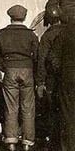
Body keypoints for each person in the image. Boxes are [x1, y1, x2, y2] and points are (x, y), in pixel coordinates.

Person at [0, 5, 38, 151]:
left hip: (10, 71)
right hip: (27, 70)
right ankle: (27, 143)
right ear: (24, 17)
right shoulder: (31, 35)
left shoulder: (1, 35)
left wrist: (4, 67)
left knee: (10, 107)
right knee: (28, 107)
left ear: (10, 17)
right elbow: (37, 55)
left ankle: (11, 142)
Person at [36, 5, 65, 148]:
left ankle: (53, 139)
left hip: (52, 79)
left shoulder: (47, 36)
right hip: (67, 77)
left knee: (52, 109)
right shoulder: (68, 32)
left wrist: (40, 81)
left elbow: (41, 59)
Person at [48, 19, 75, 150]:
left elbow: (53, 57)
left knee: (68, 115)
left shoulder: (65, 32)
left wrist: (61, 70)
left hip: (68, 78)